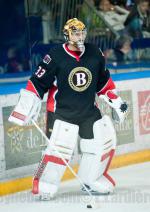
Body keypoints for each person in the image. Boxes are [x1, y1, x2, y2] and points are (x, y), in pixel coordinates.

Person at [9, 18, 128, 200]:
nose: (79, 36)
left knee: (103, 143)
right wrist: (26, 104)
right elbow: (37, 82)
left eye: (81, 32)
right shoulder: (55, 55)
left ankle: (92, 179)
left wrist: (115, 99)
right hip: (62, 112)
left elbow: (103, 82)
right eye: (75, 33)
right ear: (67, 35)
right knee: (59, 150)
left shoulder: (95, 53)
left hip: (89, 110)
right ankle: (45, 186)